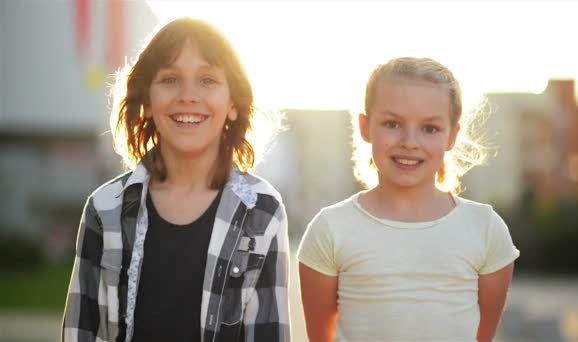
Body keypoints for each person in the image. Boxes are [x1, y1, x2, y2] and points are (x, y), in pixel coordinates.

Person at [62, 18, 290, 342]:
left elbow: (270, 334)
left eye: (207, 80)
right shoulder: (104, 209)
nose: (188, 95)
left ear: (234, 104)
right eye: (170, 79)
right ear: (147, 103)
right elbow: (80, 332)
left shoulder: (262, 210)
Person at [297, 57, 519, 342]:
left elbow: (482, 337)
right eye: (392, 123)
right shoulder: (329, 230)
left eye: (430, 128)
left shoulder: (486, 229)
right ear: (364, 126)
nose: (410, 141)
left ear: (452, 135)